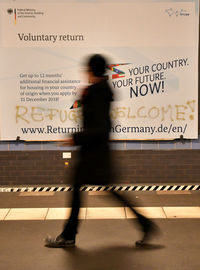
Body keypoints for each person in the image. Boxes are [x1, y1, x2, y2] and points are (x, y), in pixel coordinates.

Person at [45, 54, 158, 248]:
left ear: (91, 70)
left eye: (87, 70)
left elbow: (101, 128)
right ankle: (145, 224)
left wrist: (75, 138)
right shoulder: (98, 91)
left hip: (94, 156)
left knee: (97, 191)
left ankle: (69, 235)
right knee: (98, 191)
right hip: (93, 154)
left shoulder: (99, 93)